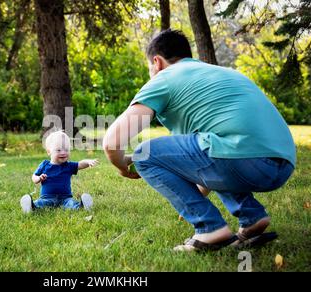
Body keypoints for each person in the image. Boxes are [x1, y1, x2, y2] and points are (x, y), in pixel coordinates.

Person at [103, 29, 296, 252]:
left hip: (241, 159)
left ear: (157, 62)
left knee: (143, 154)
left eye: (149, 69)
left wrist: (124, 165)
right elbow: (204, 162)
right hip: (282, 163)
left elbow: (112, 141)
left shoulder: (165, 78)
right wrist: (191, 197)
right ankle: (251, 217)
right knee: (216, 145)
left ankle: (210, 228)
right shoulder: (222, 73)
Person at [21, 130, 98, 213]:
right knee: (41, 203)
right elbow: (34, 177)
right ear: (49, 151)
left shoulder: (68, 165)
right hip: (47, 197)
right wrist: (39, 178)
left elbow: (80, 164)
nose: (63, 153)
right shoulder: (44, 165)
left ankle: (82, 206)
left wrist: (88, 161)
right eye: (58, 150)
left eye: (66, 150)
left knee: (71, 203)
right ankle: (31, 207)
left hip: (65, 198)